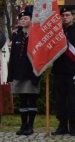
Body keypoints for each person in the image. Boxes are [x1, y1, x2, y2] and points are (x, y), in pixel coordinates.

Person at [51, 7, 75, 136]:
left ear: (73, 16)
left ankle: (73, 126)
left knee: (72, 101)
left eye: (67, 15)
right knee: (59, 101)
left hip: (73, 73)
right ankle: (62, 125)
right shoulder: (56, 32)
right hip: (58, 72)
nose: (64, 17)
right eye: (62, 15)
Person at [7, 8, 40, 136]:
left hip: (31, 73)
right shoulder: (16, 37)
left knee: (31, 100)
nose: (23, 20)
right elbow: (13, 58)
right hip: (18, 74)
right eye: (21, 19)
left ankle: (30, 126)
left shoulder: (36, 36)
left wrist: (37, 73)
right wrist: (10, 76)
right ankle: (23, 125)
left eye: (26, 18)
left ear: (31, 21)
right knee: (22, 101)